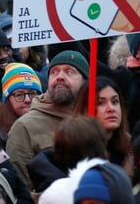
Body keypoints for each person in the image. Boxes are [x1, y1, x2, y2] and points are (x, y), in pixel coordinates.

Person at [6, 50, 88, 190]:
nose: (60, 77)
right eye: (54, 72)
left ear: (86, 81)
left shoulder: (98, 116)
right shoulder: (25, 127)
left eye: (69, 71)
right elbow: (22, 190)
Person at [73, 78, 133, 176]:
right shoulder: (74, 152)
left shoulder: (130, 150)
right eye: (101, 103)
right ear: (84, 109)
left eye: (115, 102)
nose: (111, 109)